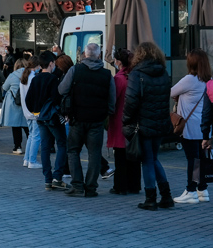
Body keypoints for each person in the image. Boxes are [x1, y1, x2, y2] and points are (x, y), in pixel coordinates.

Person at [57, 43, 115, 198]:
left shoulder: (75, 70)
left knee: (73, 150)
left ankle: (77, 185)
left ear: (84, 54)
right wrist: (106, 114)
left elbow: (62, 90)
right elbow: (112, 100)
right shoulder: (106, 75)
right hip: (96, 120)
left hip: (77, 118)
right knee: (94, 154)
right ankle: (91, 187)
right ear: (99, 55)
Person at [123, 42, 174, 210]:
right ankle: (166, 196)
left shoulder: (137, 74)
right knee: (154, 158)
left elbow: (131, 101)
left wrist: (126, 119)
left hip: (142, 122)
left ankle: (150, 198)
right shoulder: (163, 72)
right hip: (160, 122)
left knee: (147, 160)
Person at [170, 48, 210, 204]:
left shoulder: (189, 80)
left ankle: (191, 191)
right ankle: (203, 189)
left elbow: (171, 91)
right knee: (201, 159)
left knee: (192, 159)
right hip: (204, 127)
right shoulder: (209, 80)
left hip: (190, 127)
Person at [26, 51, 68, 191]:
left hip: (40, 118)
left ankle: (47, 179)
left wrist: (36, 111)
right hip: (53, 117)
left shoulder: (35, 79)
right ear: (51, 64)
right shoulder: (53, 80)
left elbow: (28, 100)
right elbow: (57, 99)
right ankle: (57, 177)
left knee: (45, 147)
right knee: (62, 144)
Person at [109, 49, 141, 195]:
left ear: (119, 62)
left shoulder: (119, 79)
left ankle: (120, 186)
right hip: (135, 119)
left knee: (120, 155)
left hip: (120, 120)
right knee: (134, 154)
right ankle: (135, 185)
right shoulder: (136, 76)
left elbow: (113, 100)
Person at [0, 59, 28, 155]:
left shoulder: (12, 75)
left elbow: (4, 88)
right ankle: (31, 145)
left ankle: (18, 147)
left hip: (14, 103)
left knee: (16, 126)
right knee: (27, 125)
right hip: (27, 103)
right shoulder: (30, 75)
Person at [19, 57, 42, 169]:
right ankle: (32, 160)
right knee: (36, 136)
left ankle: (27, 159)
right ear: (37, 66)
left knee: (31, 136)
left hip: (26, 111)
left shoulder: (25, 76)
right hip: (34, 111)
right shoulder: (33, 78)